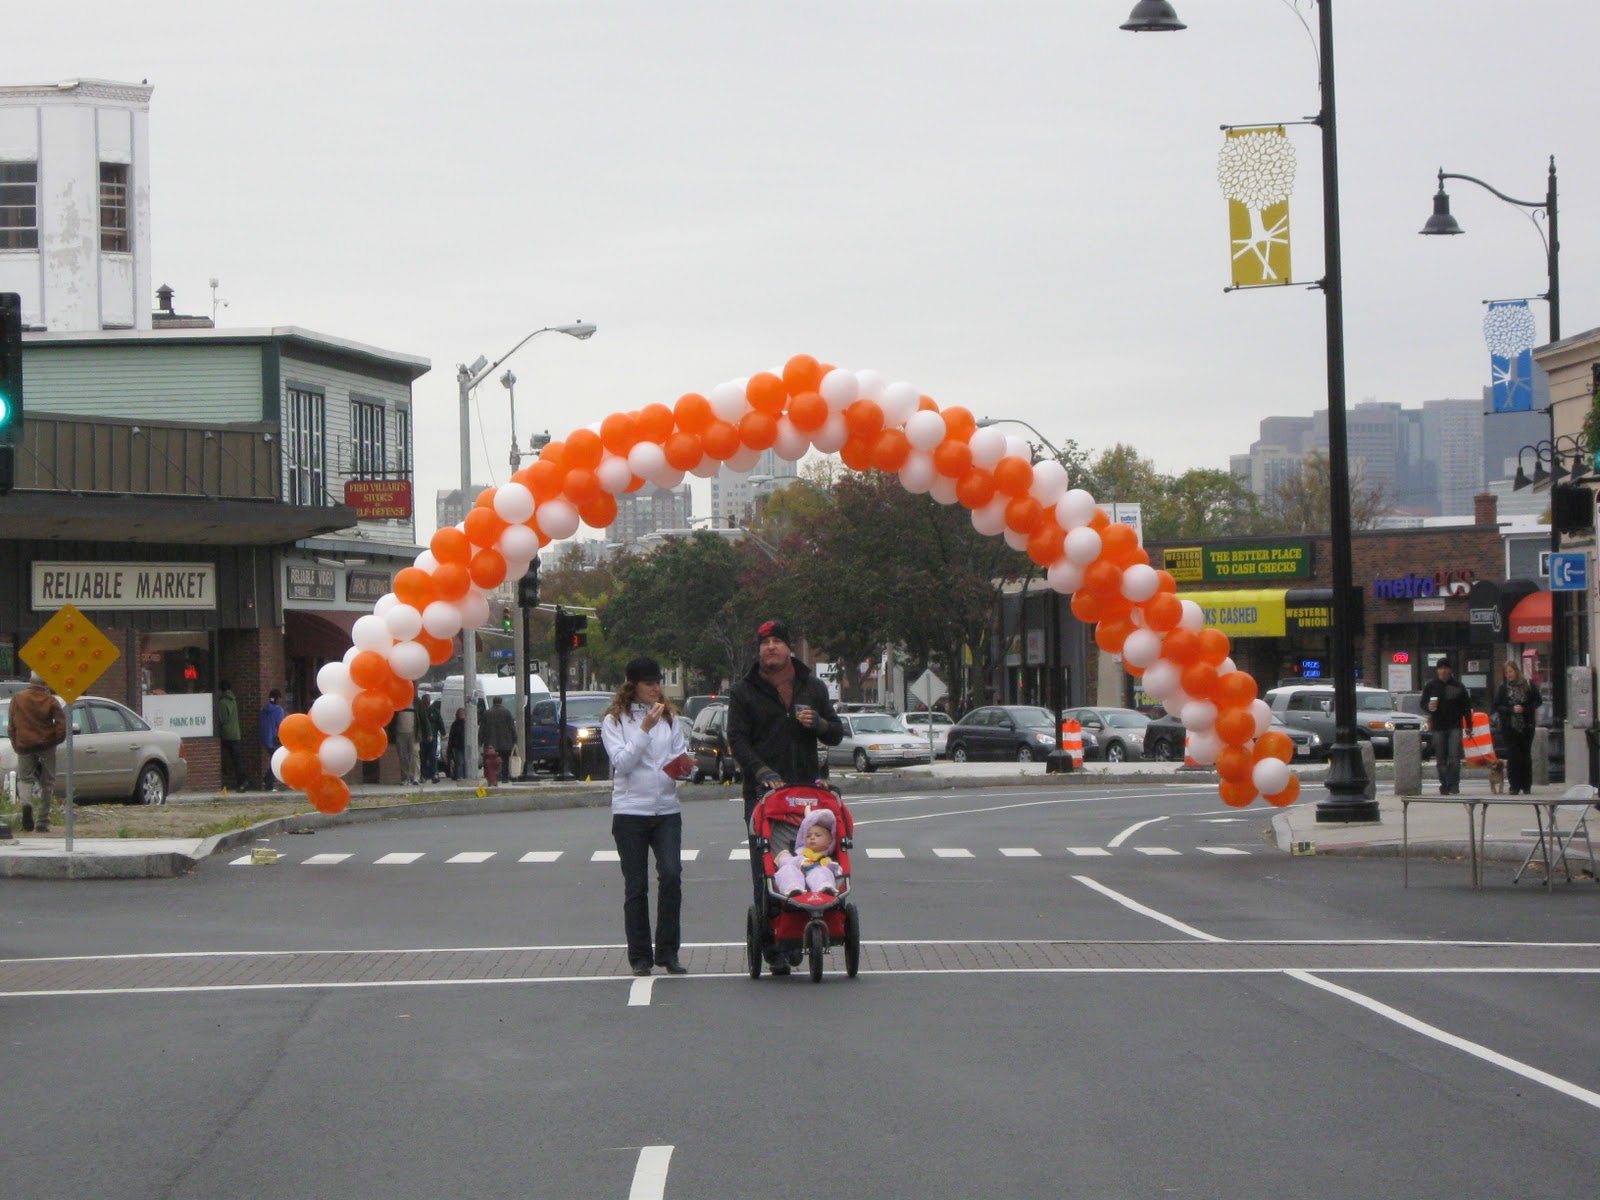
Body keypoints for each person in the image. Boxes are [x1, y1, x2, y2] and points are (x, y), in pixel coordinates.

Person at [728, 619, 843, 971]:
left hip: (807, 795)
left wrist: (819, 726)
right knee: (770, 869)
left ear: (789, 647)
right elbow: (738, 740)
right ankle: (775, 945)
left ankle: (801, 933)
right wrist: (762, 772)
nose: (770, 648)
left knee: (810, 863)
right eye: (765, 642)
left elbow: (836, 733)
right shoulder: (745, 691)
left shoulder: (812, 686)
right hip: (765, 798)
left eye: (777, 641)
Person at [600, 656, 691, 976]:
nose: (657, 688)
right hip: (630, 811)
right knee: (636, 886)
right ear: (633, 686)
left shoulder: (669, 717)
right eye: (650, 683)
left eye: (659, 682)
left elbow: (676, 755)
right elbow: (622, 763)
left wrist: (685, 768)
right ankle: (640, 956)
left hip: (666, 809)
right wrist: (644, 729)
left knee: (671, 875)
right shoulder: (615, 720)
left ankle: (668, 952)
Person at [7, 672, 67, 833]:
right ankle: (42, 821)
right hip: (46, 744)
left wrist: (15, 742)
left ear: (30, 681)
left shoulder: (18, 698)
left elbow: (11, 724)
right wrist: (56, 739)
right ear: (45, 683)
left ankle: (26, 804)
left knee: (25, 779)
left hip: (25, 744)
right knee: (48, 782)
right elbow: (61, 724)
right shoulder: (51, 700)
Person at [1420, 658, 1471, 795]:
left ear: (1450, 670)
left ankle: (1454, 784)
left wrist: (1469, 725)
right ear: (1437, 670)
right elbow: (1423, 703)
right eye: (1441, 668)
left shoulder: (1458, 686)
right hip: (1438, 726)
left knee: (1454, 758)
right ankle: (1445, 784)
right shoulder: (1431, 686)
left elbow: (1466, 707)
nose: (1443, 670)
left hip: (1455, 725)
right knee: (1440, 758)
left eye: (1446, 668)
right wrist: (1428, 707)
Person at [1492, 661, 1542, 796]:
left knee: (1525, 755)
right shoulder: (1503, 688)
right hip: (1509, 726)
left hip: (1526, 725)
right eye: (1506, 673)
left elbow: (1538, 701)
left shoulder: (1528, 685)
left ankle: (1526, 785)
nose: (1509, 675)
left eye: (1511, 672)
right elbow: (1497, 706)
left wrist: (1524, 708)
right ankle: (1514, 785)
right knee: (1513, 756)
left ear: (1516, 671)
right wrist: (1510, 709)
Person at [773, 807, 841, 897]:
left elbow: (835, 870)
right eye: (808, 836)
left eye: (817, 835)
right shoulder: (801, 852)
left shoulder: (826, 858)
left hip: (817, 881)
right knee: (788, 869)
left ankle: (824, 888)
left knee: (823, 871)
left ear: (829, 841)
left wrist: (834, 867)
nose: (812, 837)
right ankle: (792, 889)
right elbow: (788, 861)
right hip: (797, 874)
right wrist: (799, 860)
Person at [481, 696, 517, 783]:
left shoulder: (487, 713)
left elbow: (482, 728)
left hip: (491, 743)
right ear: (501, 702)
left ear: (493, 702)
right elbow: (512, 727)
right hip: (505, 743)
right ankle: (505, 778)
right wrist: (514, 739)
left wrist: (481, 740)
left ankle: (495, 777)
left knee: (492, 761)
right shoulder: (507, 713)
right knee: (505, 761)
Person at [216, 681, 243, 792]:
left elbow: (222, 719)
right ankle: (242, 781)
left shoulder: (223, 702)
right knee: (236, 760)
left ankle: (226, 781)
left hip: (226, 734)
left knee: (224, 759)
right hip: (235, 733)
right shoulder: (233, 700)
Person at [258, 688, 285, 791]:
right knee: (276, 762)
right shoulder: (279, 710)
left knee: (273, 760)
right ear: (278, 698)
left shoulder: (264, 710)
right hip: (275, 739)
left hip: (265, 738)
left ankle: (266, 780)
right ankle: (268, 783)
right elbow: (281, 725)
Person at [392, 700, 418, 785]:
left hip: (413, 733)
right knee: (403, 757)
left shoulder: (416, 702)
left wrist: (427, 733)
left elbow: (422, 718)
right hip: (400, 733)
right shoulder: (397, 702)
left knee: (413, 754)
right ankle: (405, 778)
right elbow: (392, 718)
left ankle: (414, 777)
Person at [418, 693, 442, 783]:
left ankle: (434, 774)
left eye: (428, 700)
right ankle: (424, 775)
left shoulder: (434, 711)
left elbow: (439, 721)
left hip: (433, 737)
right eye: (425, 700)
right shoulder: (421, 711)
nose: (427, 702)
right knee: (423, 757)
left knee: (432, 756)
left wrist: (443, 733)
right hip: (423, 738)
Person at [447, 707, 467, 780]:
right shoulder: (455, 724)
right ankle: (459, 776)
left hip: (466, 746)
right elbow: (451, 736)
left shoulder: (467, 724)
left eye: (463, 714)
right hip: (458, 746)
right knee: (459, 761)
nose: (462, 715)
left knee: (465, 762)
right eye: (460, 714)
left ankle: (464, 776)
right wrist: (450, 747)